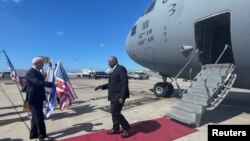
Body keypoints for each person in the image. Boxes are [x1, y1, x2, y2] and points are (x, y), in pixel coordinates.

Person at [95, 56, 131, 138]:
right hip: (113, 95)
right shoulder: (113, 70)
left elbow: (124, 83)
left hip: (119, 96)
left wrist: (122, 97)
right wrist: (102, 86)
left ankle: (127, 128)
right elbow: (112, 83)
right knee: (114, 113)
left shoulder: (121, 68)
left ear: (114, 61)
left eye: (109, 62)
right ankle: (116, 129)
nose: (108, 63)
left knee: (116, 113)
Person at [25, 57, 59, 141]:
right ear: (36, 64)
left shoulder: (37, 72)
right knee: (39, 118)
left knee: (34, 118)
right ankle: (42, 136)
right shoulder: (30, 73)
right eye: (41, 63)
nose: (43, 65)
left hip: (38, 98)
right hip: (34, 99)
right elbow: (38, 82)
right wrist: (53, 84)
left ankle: (33, 134)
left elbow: (41, 81)